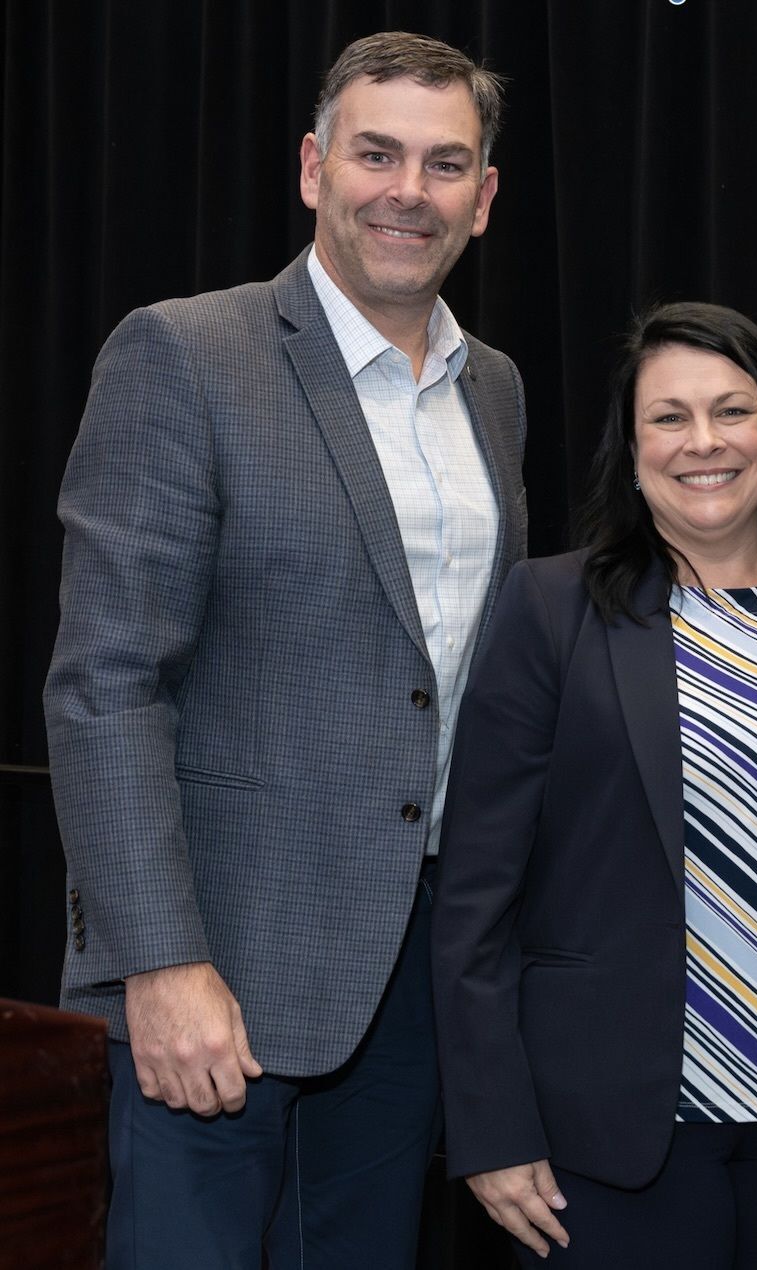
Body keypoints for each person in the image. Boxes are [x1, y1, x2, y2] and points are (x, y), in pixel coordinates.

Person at [43, 31, 526, 1270]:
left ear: (485, 194)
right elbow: (107, 684)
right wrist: (160, 962)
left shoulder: (498, 390)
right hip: (224, 976)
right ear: (314, 168)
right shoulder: (184, 355)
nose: (406, 190)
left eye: (443, 162)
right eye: (376, 153)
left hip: (412, 978)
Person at [432, 302, 757, 1267]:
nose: (703, 442)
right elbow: (474, 896)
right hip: (613, 1128)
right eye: (668, 417)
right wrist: (492, 1129)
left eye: (732, 412)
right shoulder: (551, 608)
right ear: (630, 450)